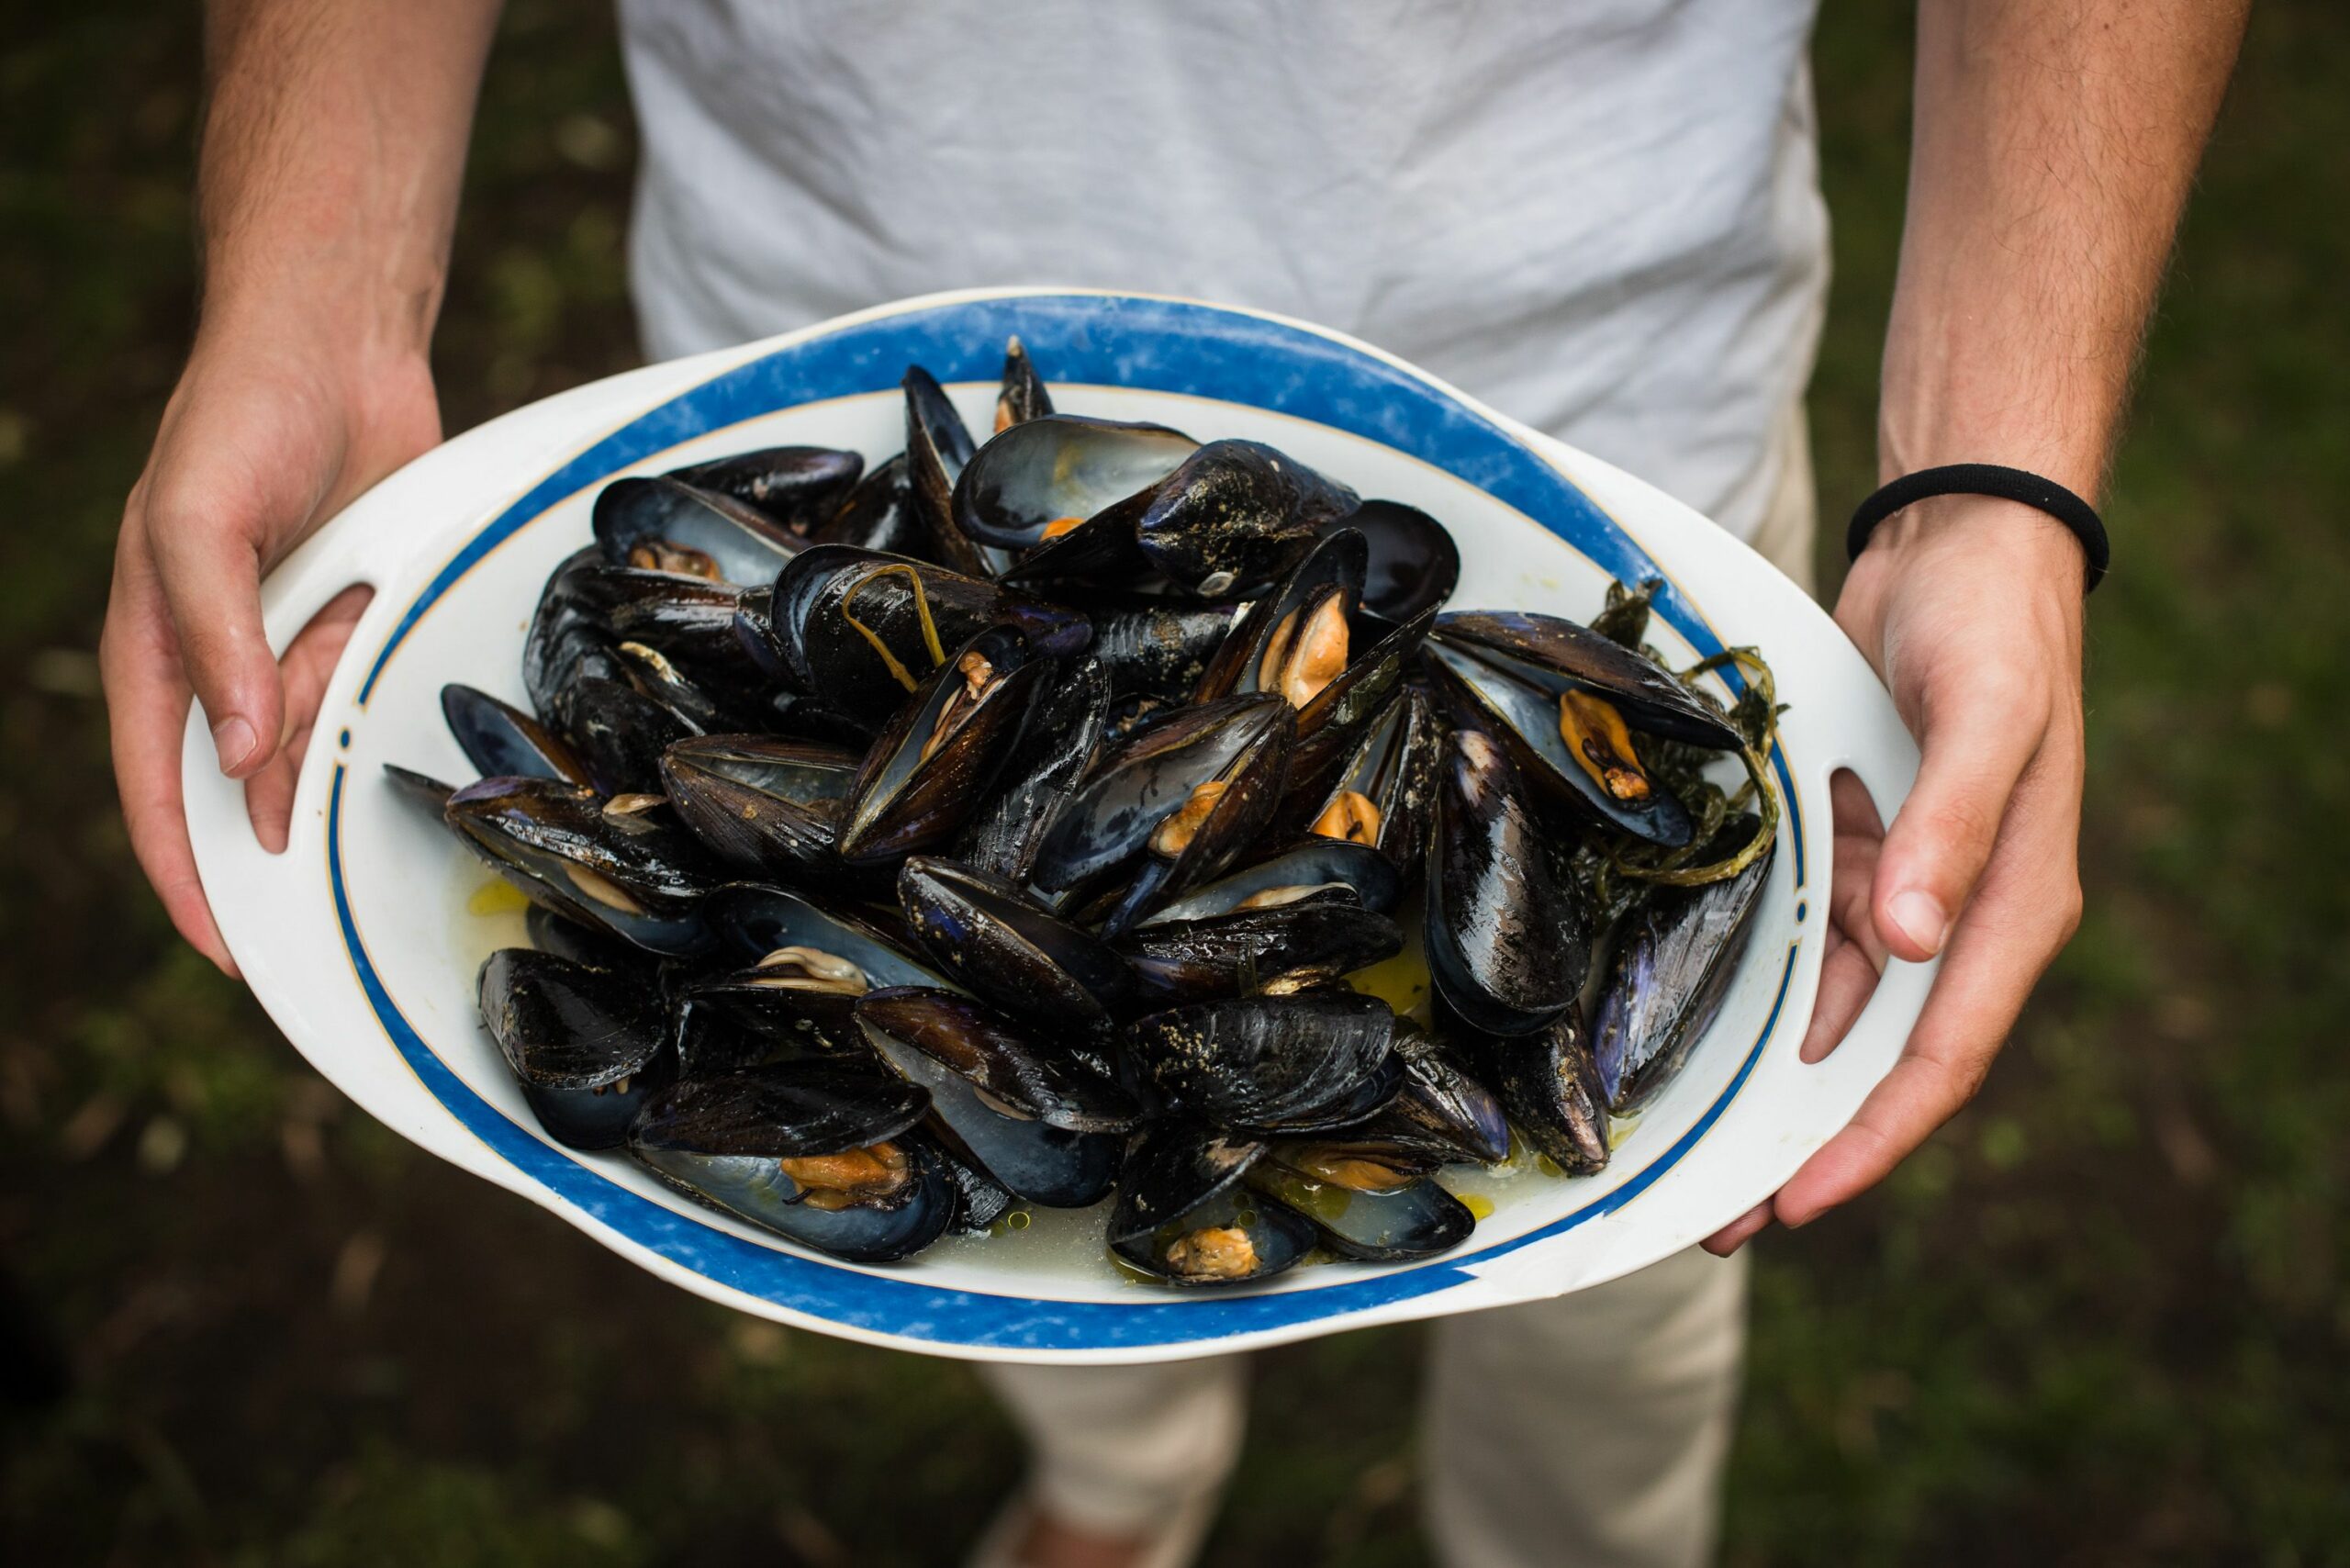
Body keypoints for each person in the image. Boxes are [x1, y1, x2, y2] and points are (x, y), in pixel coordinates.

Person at [102, 3, 2245, 1564]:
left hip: (1606, 434)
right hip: (811, 350)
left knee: (1639, 1251)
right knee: (1007, 1187)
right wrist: (308, 271)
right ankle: (1121, 1487)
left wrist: (1987, 469)